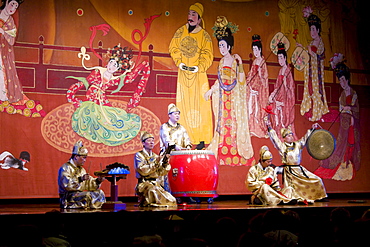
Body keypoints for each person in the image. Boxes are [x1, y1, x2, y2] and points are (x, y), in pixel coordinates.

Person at [66, 44, 149, 146]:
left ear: (117, 69)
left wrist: (143, 65)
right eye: (111, 63)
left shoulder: (115, 79)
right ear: (107, 63)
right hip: (91, 99)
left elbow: (130, 78)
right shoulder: (97, 72)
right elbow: (84, 83)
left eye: (115, 65)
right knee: (90, 116)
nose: (111, 66)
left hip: (102, 100)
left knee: (113, 121)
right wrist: (71, 95)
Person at [205, 16, 254, 166]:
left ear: (229, 46)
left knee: (232, 123)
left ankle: (234, 150)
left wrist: (239, 64)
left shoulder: (234, 60)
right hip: (222, 97)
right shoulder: (220, 62)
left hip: (232, 98)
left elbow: (241, 81)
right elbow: (219, 80)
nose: (221, 48)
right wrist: (211, 90)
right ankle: (222, 150)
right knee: (222, 122)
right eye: (219, 45)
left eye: (223, 45)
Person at [169, 2, 214, 146]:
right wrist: (179, 62)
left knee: (201, 106)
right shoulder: (180, 31)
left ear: (199, 19)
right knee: (184, 106)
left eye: (194, 14)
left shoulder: (205, 36)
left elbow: (208, 54)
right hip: (183, 74)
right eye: (189, 14)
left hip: (199, 76)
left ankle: (201, 139)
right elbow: (173, 47)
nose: (191, 17)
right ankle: (184, 138)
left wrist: (199, 67)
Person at [314, 54, 360, 181]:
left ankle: (349, 162)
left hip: (352, 122)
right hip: (344, 121)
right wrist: (344, 110)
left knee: (352, 142)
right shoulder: (342, 95)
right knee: (342, 143)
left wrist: (350, 109)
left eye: (344, 80)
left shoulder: (354, 93)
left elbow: (356, 108)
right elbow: (340, 108)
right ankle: (342, 163)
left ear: (348, 79)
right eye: (340, 81)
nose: (342, 83)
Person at [0, 0, 45, 117]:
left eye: (16, 6)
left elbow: (11, 40)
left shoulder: (10, 21)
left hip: (3, 52)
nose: (13, 8)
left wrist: (3, 32)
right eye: (12, 4)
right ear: (6, 2)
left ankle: (4, 97)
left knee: (3, 74)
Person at [266, 120, 327, 204]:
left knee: (317, 179)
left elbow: (305, 138)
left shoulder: (298, 144)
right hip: (289, 171)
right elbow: (275, 139)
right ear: (284, 138)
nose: (291, 136)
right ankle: (294, 199)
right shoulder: (282, 146)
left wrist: (312, 129)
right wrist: (269, 128)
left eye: (291, 135)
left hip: (299, 169)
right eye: (288, 135)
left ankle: (320, 196)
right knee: (290, 189)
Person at [297, 6, 329, 122]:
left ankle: (317, 112)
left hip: (317, 72)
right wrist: (302, 49)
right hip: (310, 71)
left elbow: (318, 55)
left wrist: (310, 52)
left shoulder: (320, 42)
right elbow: (308, 55)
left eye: (314, 29)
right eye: (311, 29)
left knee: (316, 91)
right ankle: (310, 109)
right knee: (310, 89)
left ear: (318, 30)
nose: (312, 32)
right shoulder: (311, 42)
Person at [134, 131, 177, 207]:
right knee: (153, 192)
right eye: (149, 141)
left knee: (171, 199)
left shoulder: (155, 156)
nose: (151, 143)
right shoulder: (139, 155)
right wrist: (156, 162)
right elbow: (142, 170)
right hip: (144, 184)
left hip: (155, 184)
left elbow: (160, 172)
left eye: (152, 141)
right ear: (143, 143)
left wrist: (165, 162)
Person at [58, 140, 106, 209]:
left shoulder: (81, 170)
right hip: (68, 197)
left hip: (78, 195)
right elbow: (66, 184)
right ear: (76, 156)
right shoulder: (65, 168)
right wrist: (80, 179)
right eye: (83, 157)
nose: (85, 160)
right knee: (87, 195)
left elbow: (87, 183)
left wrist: (98, 180)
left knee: (100, 193)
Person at [268, 42, 296, 139]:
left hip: (286, 98)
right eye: (278, 58)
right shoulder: (280, 71)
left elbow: (291, 88)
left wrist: (285, 84)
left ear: (285, 58)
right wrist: (272, 95)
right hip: (279, 95)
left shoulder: (288, 71)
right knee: (272, 105)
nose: (280, 60)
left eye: (281, 58)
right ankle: (277, 129)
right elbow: (277, 86)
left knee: (281, 109)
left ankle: (284, 130)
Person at [246, 34, 269, 138]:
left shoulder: (263, 62)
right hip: (252, 89)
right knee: (250, 108)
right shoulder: (255, 61)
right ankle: (251, 128)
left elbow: (265, 80)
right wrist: (247, 84)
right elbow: (251, 74)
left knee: (257, 111)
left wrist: (260, 73)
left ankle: (259, 129)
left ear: (260, 49)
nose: (255, 52)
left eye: (256, 49)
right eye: (253, 49)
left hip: (259, 91)